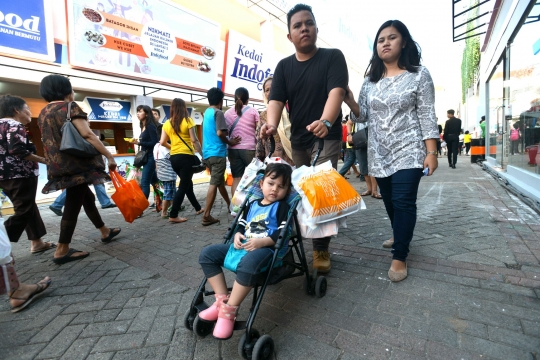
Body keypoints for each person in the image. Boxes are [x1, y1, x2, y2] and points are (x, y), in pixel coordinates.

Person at [344, 20, 439, 282]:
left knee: (403, 201)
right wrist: (350, 99)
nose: (385, 43)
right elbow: (362, 114)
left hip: (410, 148)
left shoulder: (419, 74)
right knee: (388, 200)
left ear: (404, 42)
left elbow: (427, 114)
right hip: (379, 150)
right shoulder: (370, 81)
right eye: (380, 39)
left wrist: (431, 152)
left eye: (392, 37)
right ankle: (400, 233)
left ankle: (400, 256)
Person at [260, 3, 348, 273]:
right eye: (297, 25)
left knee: (320, 193)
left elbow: (337, 91)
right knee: (298, 194)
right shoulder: (284, 66)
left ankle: (320, 249)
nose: (304, 28)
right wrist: (271, 125)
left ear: (316, 28)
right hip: (298, 141)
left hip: (326, 137)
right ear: (289, 36)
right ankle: (286, 243)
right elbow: (275, 99)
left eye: (308, 23)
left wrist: (326, 120)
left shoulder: (333, 57)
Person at [198, 163, 292, 339]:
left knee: (248, 265)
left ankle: (229, 311)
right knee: (208, 254)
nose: (275, 189)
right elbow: (241, 224)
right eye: (271, 183)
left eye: (281, 186)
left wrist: (263, 242)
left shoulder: (282, 207)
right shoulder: (252, 204)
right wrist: (237, 234)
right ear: (262, 183)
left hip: (266, 250)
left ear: (287, 190)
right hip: (242, 246)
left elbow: (283, 231)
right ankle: (221, 300)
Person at [38, 74, 121, 264]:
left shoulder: (43, 112)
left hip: (58, 164)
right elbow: (88, 134)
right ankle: (62, 249)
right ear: (66, 90)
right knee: (74, 204)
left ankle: (104, 231)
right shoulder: (69, 107)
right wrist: (108, 156)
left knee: (87, 197)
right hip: (77, 165)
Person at [0, 95, 53, 254]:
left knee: (28, 207)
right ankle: (1, 240)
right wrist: (45, 160)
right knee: (24, 210)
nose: (29, 112)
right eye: (27, 109)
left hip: (3, 176)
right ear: (17, 110)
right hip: (20, 174)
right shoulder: (15, 124)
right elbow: (18, 150)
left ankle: (37, 243)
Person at [160, 98, 204, 223]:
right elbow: (194, 140)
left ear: (172, 108)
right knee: (184, 186)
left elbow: (162, 142)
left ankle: (198, 208)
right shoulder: (188, 120)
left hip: (174, 158)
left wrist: (173, 147)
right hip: (186, 157)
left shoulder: (167, 123)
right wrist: (202, 154)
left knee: (187, 184)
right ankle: (173, 215)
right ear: (184, 107)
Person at [202, 88, 241, 226]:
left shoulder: (206, 112)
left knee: (218, 182)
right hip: (217, 153)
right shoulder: (218, 113)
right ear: (220, 100)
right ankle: (206, 215)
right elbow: (220, 133)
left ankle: (229, 204)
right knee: (214, 183)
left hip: (207, 153)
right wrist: (230, 142)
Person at [224, 87, 260, 196]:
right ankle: (251, 205)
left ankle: (235, 207)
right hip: (250, 149)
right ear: (247, 99)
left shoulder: (227, 113)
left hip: (233, 150)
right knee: (254, 177)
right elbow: (258, 131)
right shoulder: (253, 111)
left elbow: (225, 133)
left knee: (236, 178)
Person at [255, 76, 294, 166]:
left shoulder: (291, 110)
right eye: (267, 90)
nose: (270, 92)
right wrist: (259, 161)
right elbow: (260, 142)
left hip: (293, 160)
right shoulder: (263, 115)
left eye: (273, 88)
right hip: (272, 162)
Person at [131, 105, 159, 199]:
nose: (138, 114)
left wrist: (139, 142)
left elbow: (155, 142)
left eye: (140, 111)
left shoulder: (150, 126)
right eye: (137, 112)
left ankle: (140, 208)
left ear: (146, 114)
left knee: (144, 182)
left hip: (150, 157)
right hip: (145, 158)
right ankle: (165, 202)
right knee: (155, 181)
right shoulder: (143, 126)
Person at [49, 183, 116, 215]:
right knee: (77, 185)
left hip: (86, 164)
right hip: (85, 164)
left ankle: (56, 205)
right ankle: (56, 205)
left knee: (77, 185)